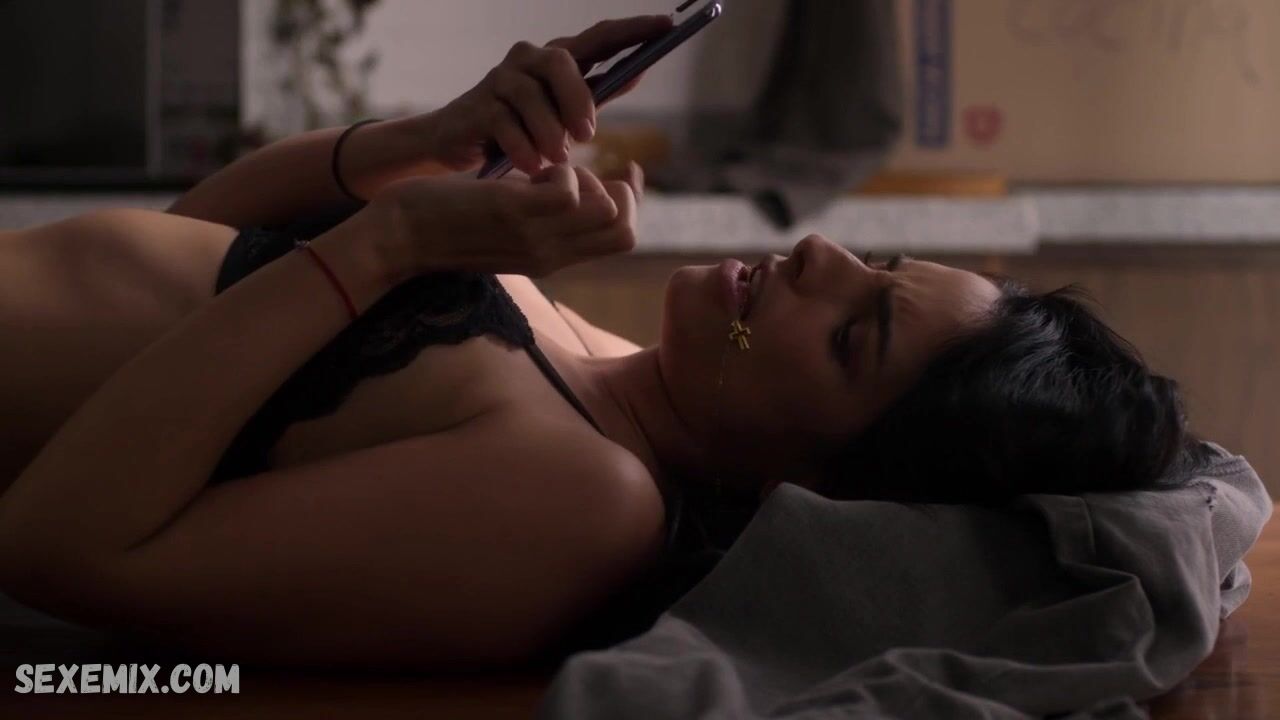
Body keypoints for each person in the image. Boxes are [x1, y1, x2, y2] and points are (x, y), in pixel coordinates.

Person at [0, 15, 1204, 669]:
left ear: (824, 489)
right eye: (877, 267)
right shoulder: (599, 357)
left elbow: (69, 552)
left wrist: (390, 244)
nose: (818, 255)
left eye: (855, 332)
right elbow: (194, 262)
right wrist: (425, 142)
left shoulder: (584, 500)